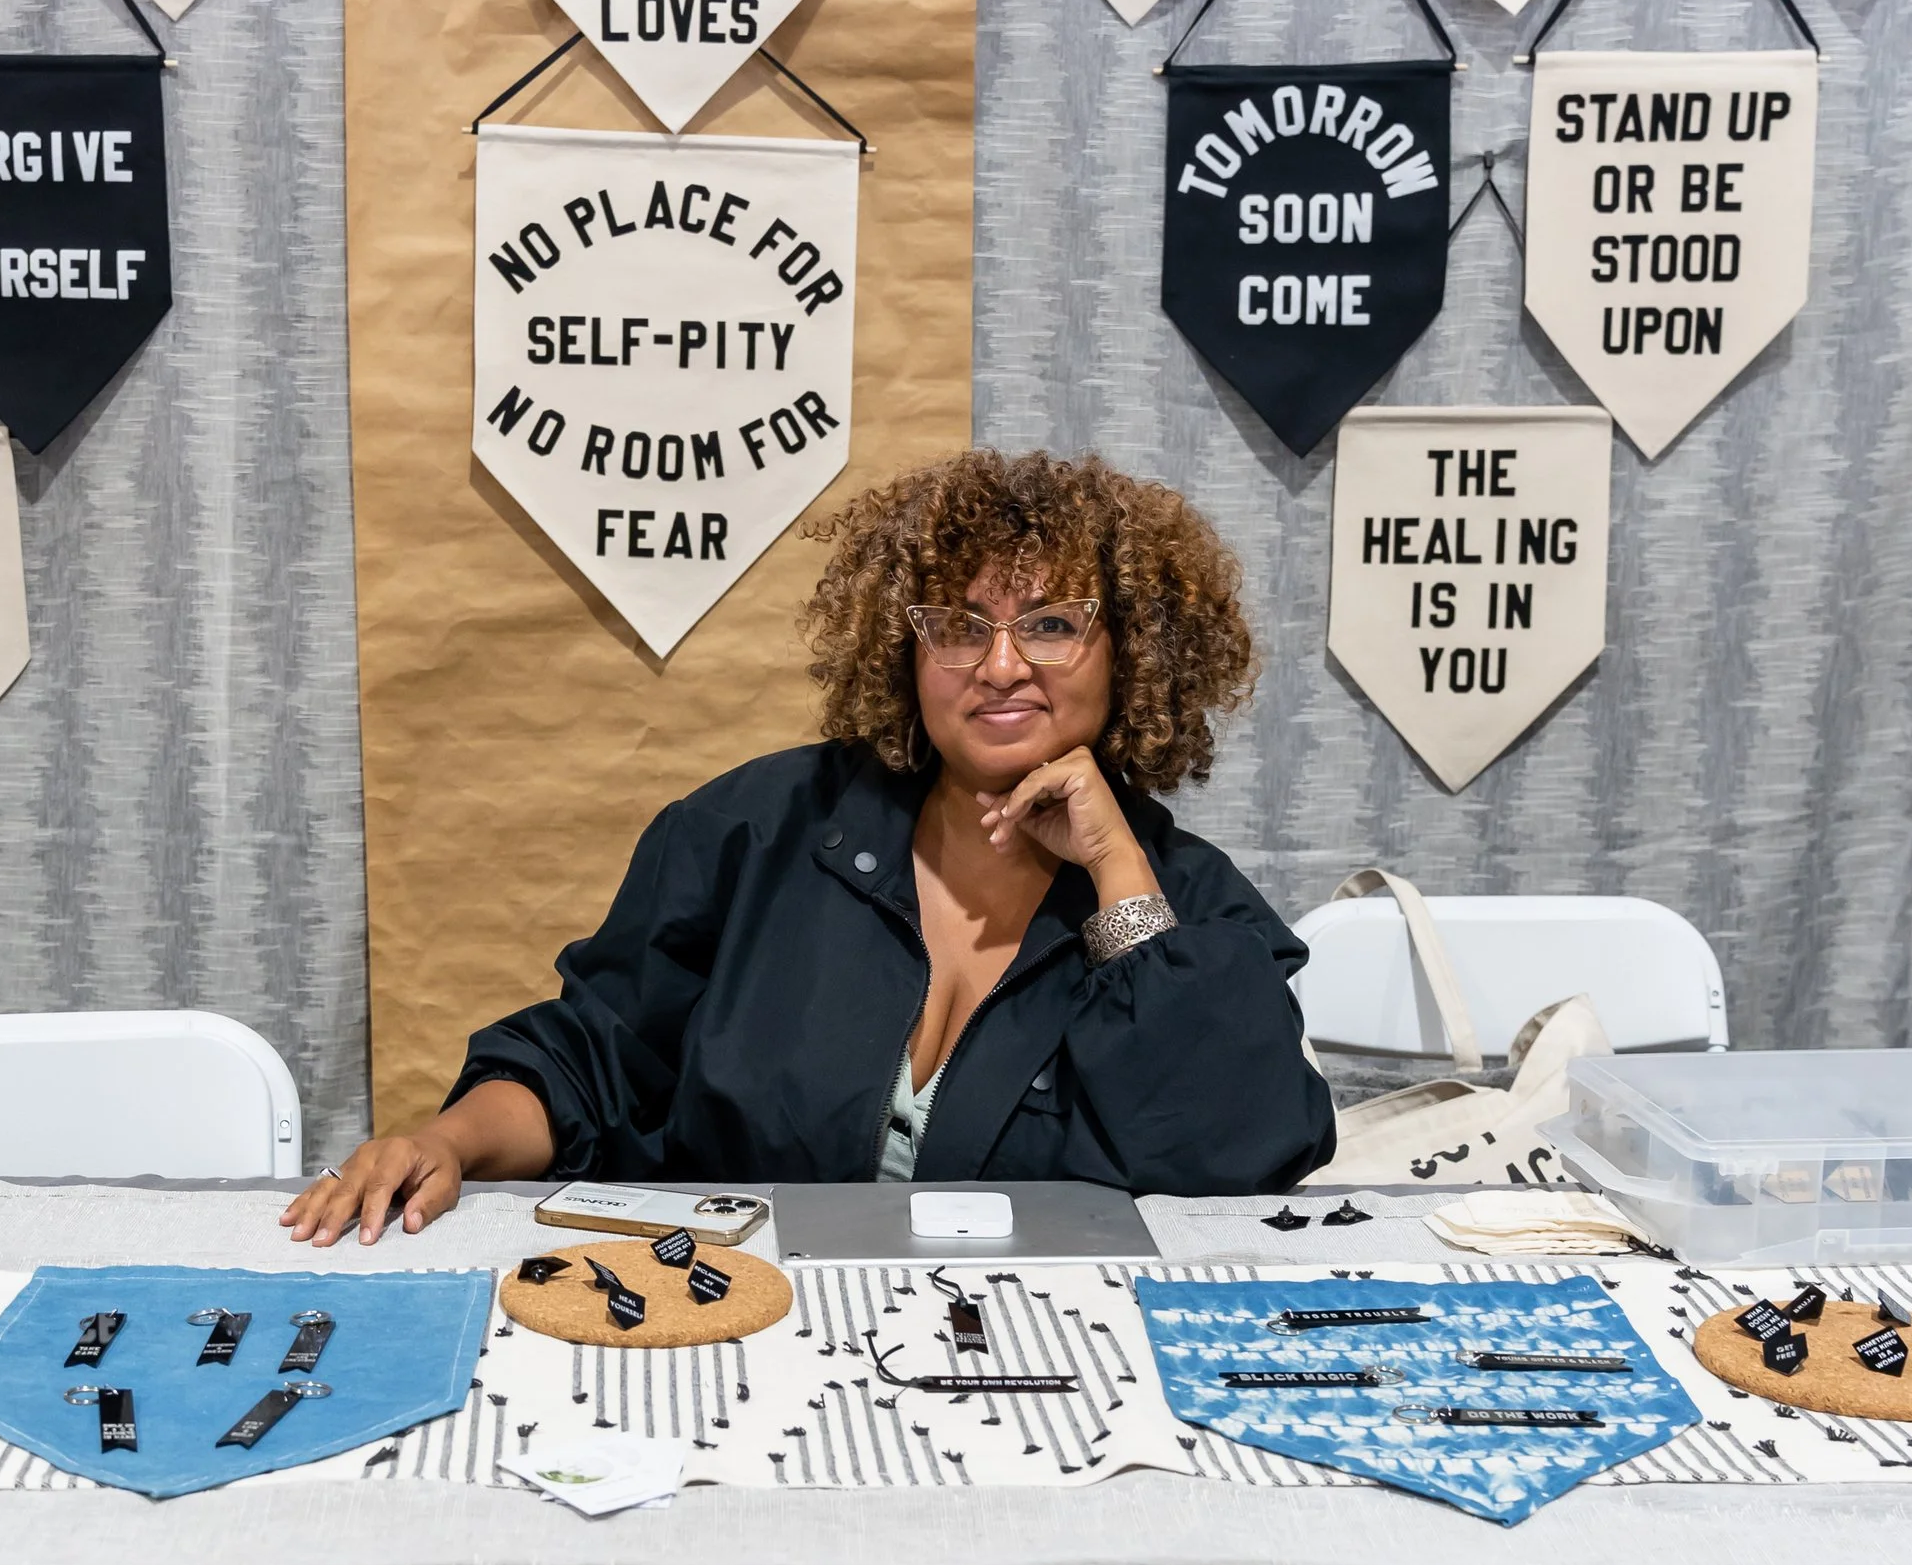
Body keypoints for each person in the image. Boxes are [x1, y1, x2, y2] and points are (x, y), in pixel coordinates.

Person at [284, 449, 1334, 1246]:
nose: (1000, 665)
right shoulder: (753, 830)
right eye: (958, 626)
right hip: (742, 1315)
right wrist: (447, 1140)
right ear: (905, 648)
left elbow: (1234, 1159)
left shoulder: (1186, 899)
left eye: (1053, 624)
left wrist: (1115, 872)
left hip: (1042, 1351)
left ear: (1132, 651)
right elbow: (591, 1062)